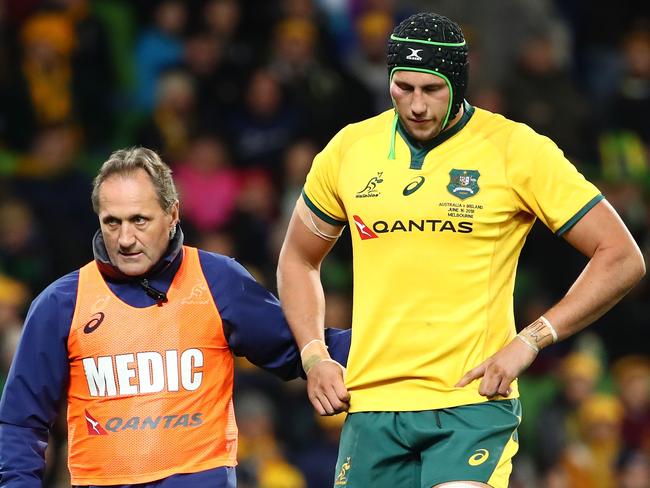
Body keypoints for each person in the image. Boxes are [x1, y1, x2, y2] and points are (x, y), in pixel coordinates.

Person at [276, 11, 646, 488]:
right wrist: (314, 355)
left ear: (459, 83)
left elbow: (621, 255)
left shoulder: (515, 149)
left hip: (471, 405)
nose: (415, 106)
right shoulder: (349, 149)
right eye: (402, 87)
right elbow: (298, 257)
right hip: (373, 407)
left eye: (431, 90)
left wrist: (531, 339)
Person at [0, 146, 350, 487]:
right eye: (112, 222)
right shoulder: (61, 303)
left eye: (139, 220)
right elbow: (19, 420)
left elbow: (299, 348)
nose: (124, 239)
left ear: (172, 215)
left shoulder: (217, 281)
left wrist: (390, 339)